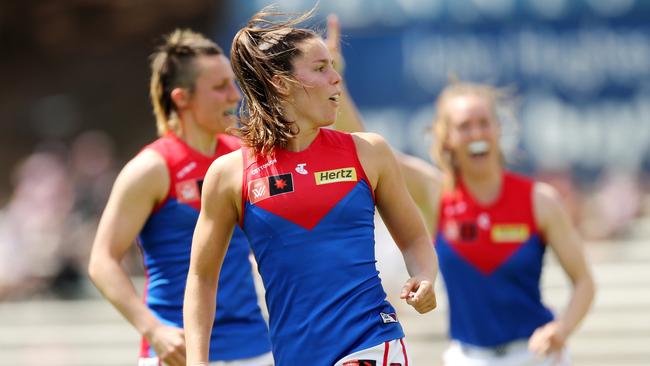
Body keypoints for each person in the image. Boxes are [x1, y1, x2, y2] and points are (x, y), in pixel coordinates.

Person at [184, 8, 439, 366]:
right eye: (321, 68)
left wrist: (425, 277)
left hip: (371, 341)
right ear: (281, 83)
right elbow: (201, 276)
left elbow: (414, 240)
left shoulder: (369, 153)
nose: (336, 78)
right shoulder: (229, 174)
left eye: (332, 66)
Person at [87, 30, 273, 366]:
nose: (234, 96)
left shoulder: (240, 157)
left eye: (232, 84)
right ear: (182, 98)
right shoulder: (152, 168)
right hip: (179, 350)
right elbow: (102, 261)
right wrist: (154, 331)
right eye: (219, 87)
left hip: (253, 346)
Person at [401, 82, 596, 365]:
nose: (477, 133)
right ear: (446, 138)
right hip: (467, 358)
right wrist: (337, 87)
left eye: (484, 123)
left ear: (499, 129)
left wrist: (562, 329)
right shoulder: (437, 196)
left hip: (535, 355)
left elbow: (584, 282)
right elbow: (373, 151)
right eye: (465, 126)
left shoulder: (539, 200)